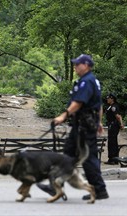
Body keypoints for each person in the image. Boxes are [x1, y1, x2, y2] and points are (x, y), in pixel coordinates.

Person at [37, 54, 109, 200]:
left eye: (78, 64)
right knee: (67, 157)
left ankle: (99, 190)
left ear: (86, 65)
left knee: (88, 158)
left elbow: (78, 103)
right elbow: (99, 104)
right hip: (84, 125)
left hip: (84, 126)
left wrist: (63, 116)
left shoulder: (87, 82)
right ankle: (55, 187)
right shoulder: (90, 81)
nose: (75, 67)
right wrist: (99, 122)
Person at [104, 93, 124, 165]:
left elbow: (118, 116)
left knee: (112, 142)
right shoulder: (110, 106)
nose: (107, 99)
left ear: (112, 99)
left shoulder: (114, 107)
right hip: (111, 125)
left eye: (108, 98)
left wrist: (121, 124)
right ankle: (113, 158)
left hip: (113, 125)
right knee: (112, 142)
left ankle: (113, 159)